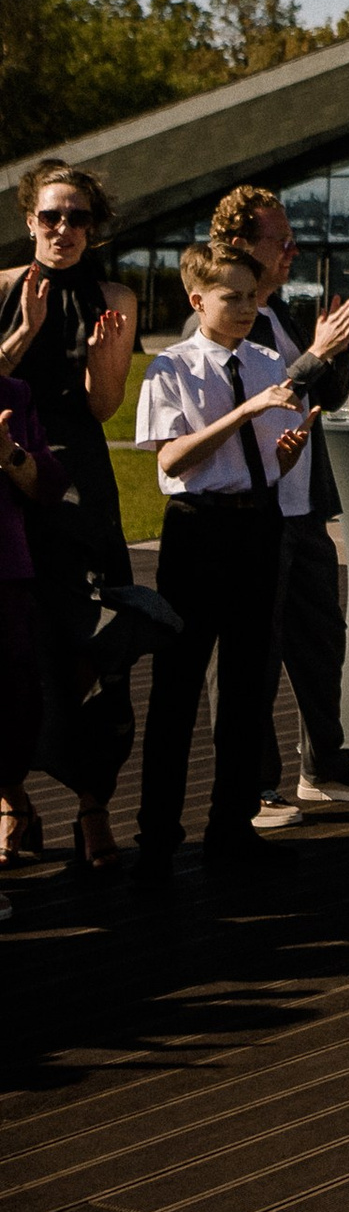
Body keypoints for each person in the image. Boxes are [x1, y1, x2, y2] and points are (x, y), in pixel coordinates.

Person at [131, 245, 313, 875]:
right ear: (197, 299)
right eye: (230, 297)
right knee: (178, 689)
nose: (244, 309)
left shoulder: (266, 361)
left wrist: (284, 453)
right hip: (197, 532)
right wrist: (244, 412)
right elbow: (170, 460)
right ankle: (157, 835)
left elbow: (260, 462)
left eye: (251, 296)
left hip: (256, 526)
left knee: (246, 686)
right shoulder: (171, 368)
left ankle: (231, 826)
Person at [206, 186, 349, 822]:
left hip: (301, 504)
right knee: (248, 652)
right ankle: (252, 786)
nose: (292, 250)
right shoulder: (225, 319)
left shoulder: (275, 311)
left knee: (319, 639)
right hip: (251, 510)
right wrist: (316, 353)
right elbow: (267, 394)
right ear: (238, 245)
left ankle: (325, 766)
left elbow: (321, 399)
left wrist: (344, 345)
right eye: (279, 241)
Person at [1, 160, 141, 866]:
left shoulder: (113, 294)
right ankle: (12, 805)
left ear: (93, 227)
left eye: (78, 217)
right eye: (51, 215)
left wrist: (104, 362)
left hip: (79, 477)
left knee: (93, 641)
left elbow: (102, 407)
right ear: (29, 221)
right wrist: (24, 332)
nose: (64, 228)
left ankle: (94, 806)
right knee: (14, 646)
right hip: (7, 471)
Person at [0, 364, 69, 903]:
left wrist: (9, 454)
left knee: (14, 705)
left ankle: (11, 795)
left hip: (5, 575)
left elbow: (48, 486)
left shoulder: (14, 394)